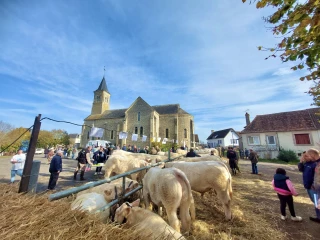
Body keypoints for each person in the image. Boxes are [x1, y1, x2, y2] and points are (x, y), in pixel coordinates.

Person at [298, 148, 320, 223]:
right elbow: (301, 169)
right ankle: (318, 217)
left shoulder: (316, 164)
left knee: (318, 203)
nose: (305, 158)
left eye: (307, 156)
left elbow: (316, 177)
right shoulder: (308, 163)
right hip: (309, 186)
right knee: (316, 203)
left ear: (312, 155)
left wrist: (313, 185)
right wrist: (301, 162)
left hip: (314, 188)